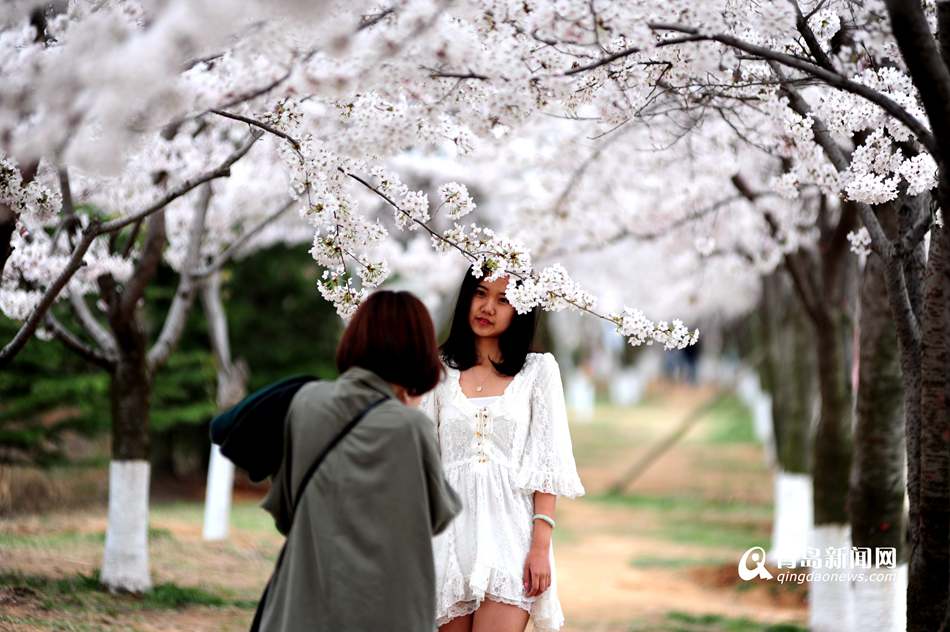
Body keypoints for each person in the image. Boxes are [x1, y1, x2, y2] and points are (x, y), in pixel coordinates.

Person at [257, 290, 463, 631]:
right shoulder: (411, 428)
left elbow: (285, 511)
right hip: (387, 612)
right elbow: (437, 517)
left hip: (302, 610)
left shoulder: (305, 404)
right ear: (418, 350)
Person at [421, 268, 586, 632]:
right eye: (480, 293)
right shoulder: (437, 371)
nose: (488, 307)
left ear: (522, 309)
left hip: (512, 538)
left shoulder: (537, 372)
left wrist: (540, 547)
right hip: (448, 540)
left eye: (503, 300)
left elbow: (547, 462)